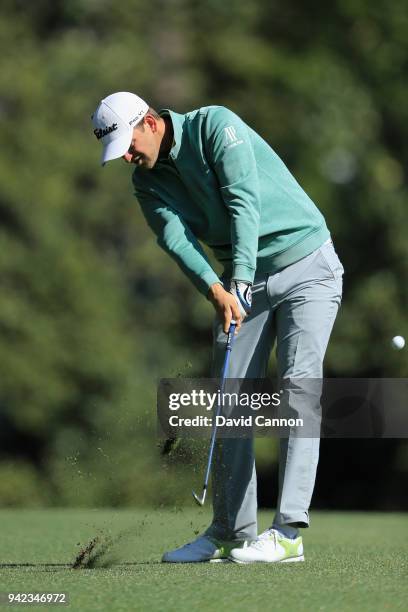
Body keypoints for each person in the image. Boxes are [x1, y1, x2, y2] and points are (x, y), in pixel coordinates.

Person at [91, 91, 344, 563]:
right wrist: (216, 289)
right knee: (230, 398)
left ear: (149, 122)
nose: (127, 156)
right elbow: (174, 237)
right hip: (241, 281)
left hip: (307, 265)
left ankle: (288, 532)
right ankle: (231, 531)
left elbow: (243, 201)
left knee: (297, 390)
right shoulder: (146, 182)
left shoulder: (215, 126)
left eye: (129, 144)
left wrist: (240, 277)